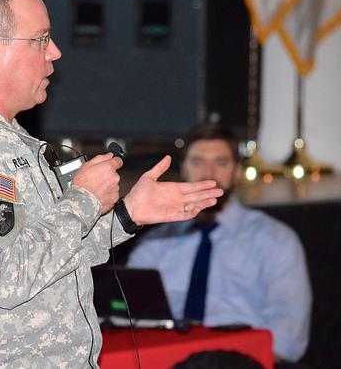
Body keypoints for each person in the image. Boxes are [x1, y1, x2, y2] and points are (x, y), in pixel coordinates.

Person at [0, 0, 222, 368]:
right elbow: (8, 278)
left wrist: (127, 215)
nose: (55, 51)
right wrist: (84, 199)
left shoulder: (4, 139)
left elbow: (49, 253)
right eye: (41, 39)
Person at [127, 123, 312, 365]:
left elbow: (289, 334)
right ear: (183, 169)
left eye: (221, 163)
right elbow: (125, 317)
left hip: (241, 359)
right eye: (197, 162)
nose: (208, 173)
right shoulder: (155, 243)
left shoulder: (275, 239)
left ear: (237, 172)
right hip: (165, 358)